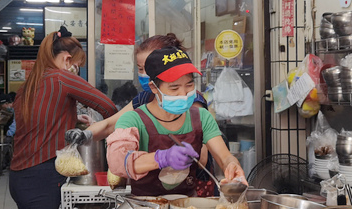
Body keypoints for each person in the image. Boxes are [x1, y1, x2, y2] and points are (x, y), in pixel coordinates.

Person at [105, 47, 246, 197]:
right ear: (154, 87)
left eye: (189, 85)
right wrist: (161, 158)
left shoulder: (201, 117)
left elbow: (224, 157)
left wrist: (232, 166)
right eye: (174, 88)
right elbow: (117, 162)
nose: (184, 94)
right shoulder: (133, 120)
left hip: (188, 208)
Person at [9, 26, 118, 209]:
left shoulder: (29, 84)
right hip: (43, 176)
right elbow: (108, 107)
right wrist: (108, 131)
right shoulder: (61, 77)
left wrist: (72, 118)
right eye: (77, 64)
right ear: (67, 59)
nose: (76, 70)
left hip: (20, 177)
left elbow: (35, 120)